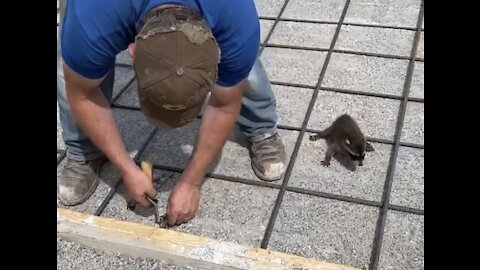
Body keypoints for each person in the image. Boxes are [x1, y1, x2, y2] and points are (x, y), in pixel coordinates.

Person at [57, 0, 286, 226]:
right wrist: (125, 168)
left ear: (215, 52)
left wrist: (192, 182)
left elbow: (223, 104)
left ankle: (261, 128)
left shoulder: (235, 17)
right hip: (105, 11)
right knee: (76, 70)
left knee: (241, 64)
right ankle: (84, 150)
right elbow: (82, 94)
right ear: (132, 50)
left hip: (222, 15)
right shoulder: (91, 17)